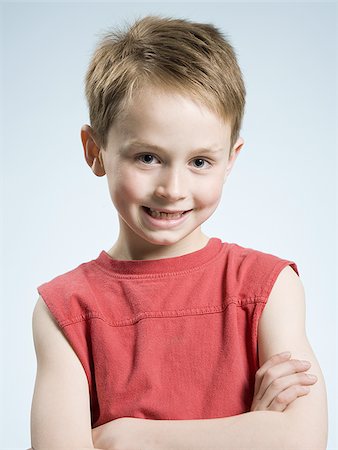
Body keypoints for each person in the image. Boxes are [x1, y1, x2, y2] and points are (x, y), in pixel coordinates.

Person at [29, 14, 328, 450]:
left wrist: (128, 438)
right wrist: (251, 428)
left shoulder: (268, 288)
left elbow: (301, 440)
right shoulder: (65, 310)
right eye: (148, 157)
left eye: (200, 162)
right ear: (96, 152)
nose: (173, 189)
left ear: (231, 159)